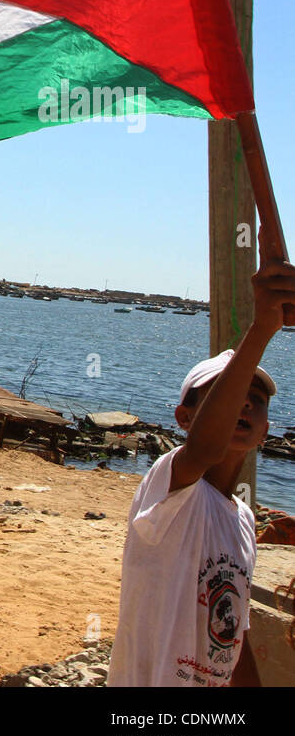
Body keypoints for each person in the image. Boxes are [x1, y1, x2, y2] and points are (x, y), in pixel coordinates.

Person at [108, 259, 295, 687]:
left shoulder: (244, 521)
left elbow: (235, 637)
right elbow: (205, 449)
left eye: (256, 398)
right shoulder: (170, 484)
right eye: (228, 394)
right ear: (185, 418)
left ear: (266, 430)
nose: (244, 403)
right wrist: (263, 328)